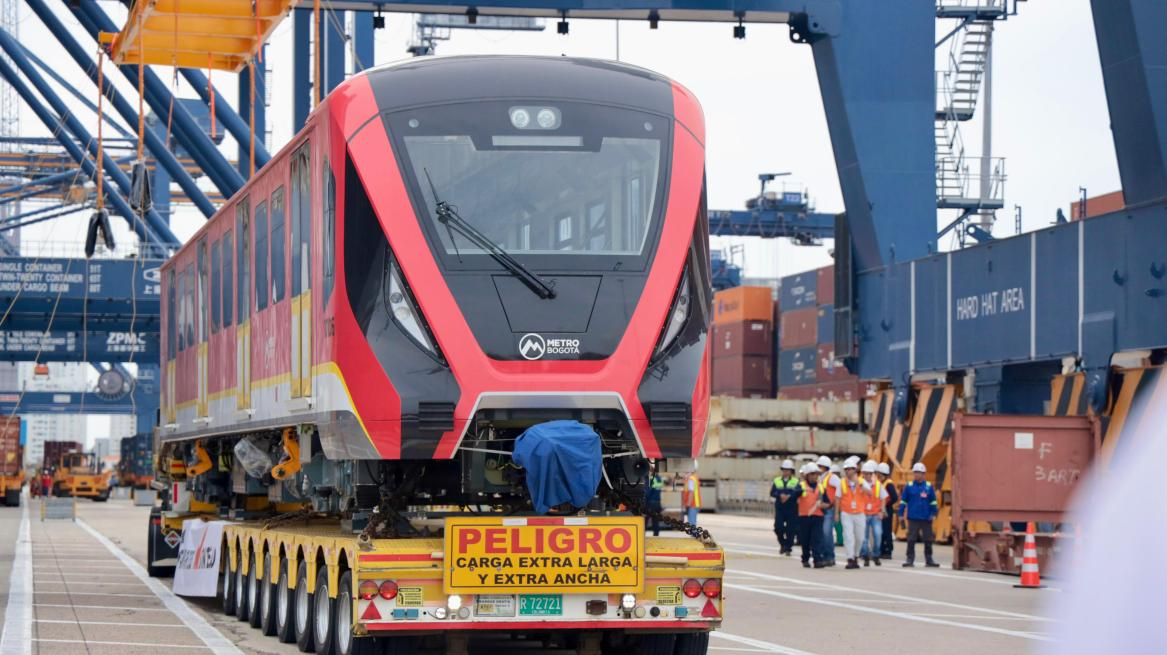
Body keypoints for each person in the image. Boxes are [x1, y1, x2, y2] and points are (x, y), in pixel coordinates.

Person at [899, 462, 939, 567]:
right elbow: (903, 501)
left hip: (926, 518)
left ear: (923, 474)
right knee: (911, 539)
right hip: (913, 517)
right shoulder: (909, 486)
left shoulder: (929, 487)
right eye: (915, 472)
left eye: (918, 472)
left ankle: (929, 559)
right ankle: (910, 559)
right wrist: (900, 514)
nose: (916, 474)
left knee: (928, 539)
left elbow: (933, 502)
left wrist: (933, 513)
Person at [797, 463, 826, 569]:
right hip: (804, 517)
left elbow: (827, 502)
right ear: (807, 475)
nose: (815, 476)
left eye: (817, 474)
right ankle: (805, 558)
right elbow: (793, 498)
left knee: (816, 539)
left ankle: (817, 560)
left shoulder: (821, 487)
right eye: (813, 474)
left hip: (818, 516)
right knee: (805, 539)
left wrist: (824, 505)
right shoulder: (800, 486)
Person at [859, 460, 888, 566]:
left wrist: (882, 511)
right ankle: (866, 556)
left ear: (872, 474)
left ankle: (876, 555)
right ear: (863, 474)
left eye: (869, 474)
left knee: (878, 534)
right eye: (865, 473)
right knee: (864, 538)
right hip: (863, 514)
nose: (867, 476)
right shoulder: (859, 484)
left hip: (875, 514)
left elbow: (883, 497)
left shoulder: (878, 485)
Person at [770, 459, 800, 555]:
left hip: (792, 508)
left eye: (787, 470)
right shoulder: (777, 480)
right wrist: (780, 495)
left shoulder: (796, 481)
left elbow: (798, 492)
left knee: (790, 529)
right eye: (784, 470)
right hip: (780, 508)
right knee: (778, 527)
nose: (785, 472)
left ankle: (788, 548)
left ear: (791, 471)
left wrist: (789, 496)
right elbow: (772, 492)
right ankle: (783, 544)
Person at [815, 455, 840, 566]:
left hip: (829, 509)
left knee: (827, 533)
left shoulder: (832, 477)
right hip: (821, 508)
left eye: (820, 466)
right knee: (821, 534)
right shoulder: (819, 478)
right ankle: (824, 556)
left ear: (825, 467)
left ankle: (830, 557)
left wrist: (834, 502)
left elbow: (841, 487)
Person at [877, 462, 898, 559]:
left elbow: (894, 497)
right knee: (881, 531)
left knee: (886, 531)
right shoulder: (881, 483)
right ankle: (881, 550)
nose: (878, 476)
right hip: (881, 510)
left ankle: (888, 551)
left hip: (887, 510)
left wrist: (885, 505)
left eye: (880, 474)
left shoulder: (889, 484)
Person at [645, 466, 665, 536]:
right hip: (657, 503)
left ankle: (642, 534)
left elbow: (648, 493)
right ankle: (656, 535)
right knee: (655, 521)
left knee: (645, 520)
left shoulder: (651, 479)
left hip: (650, 503)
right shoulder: (659, 479)